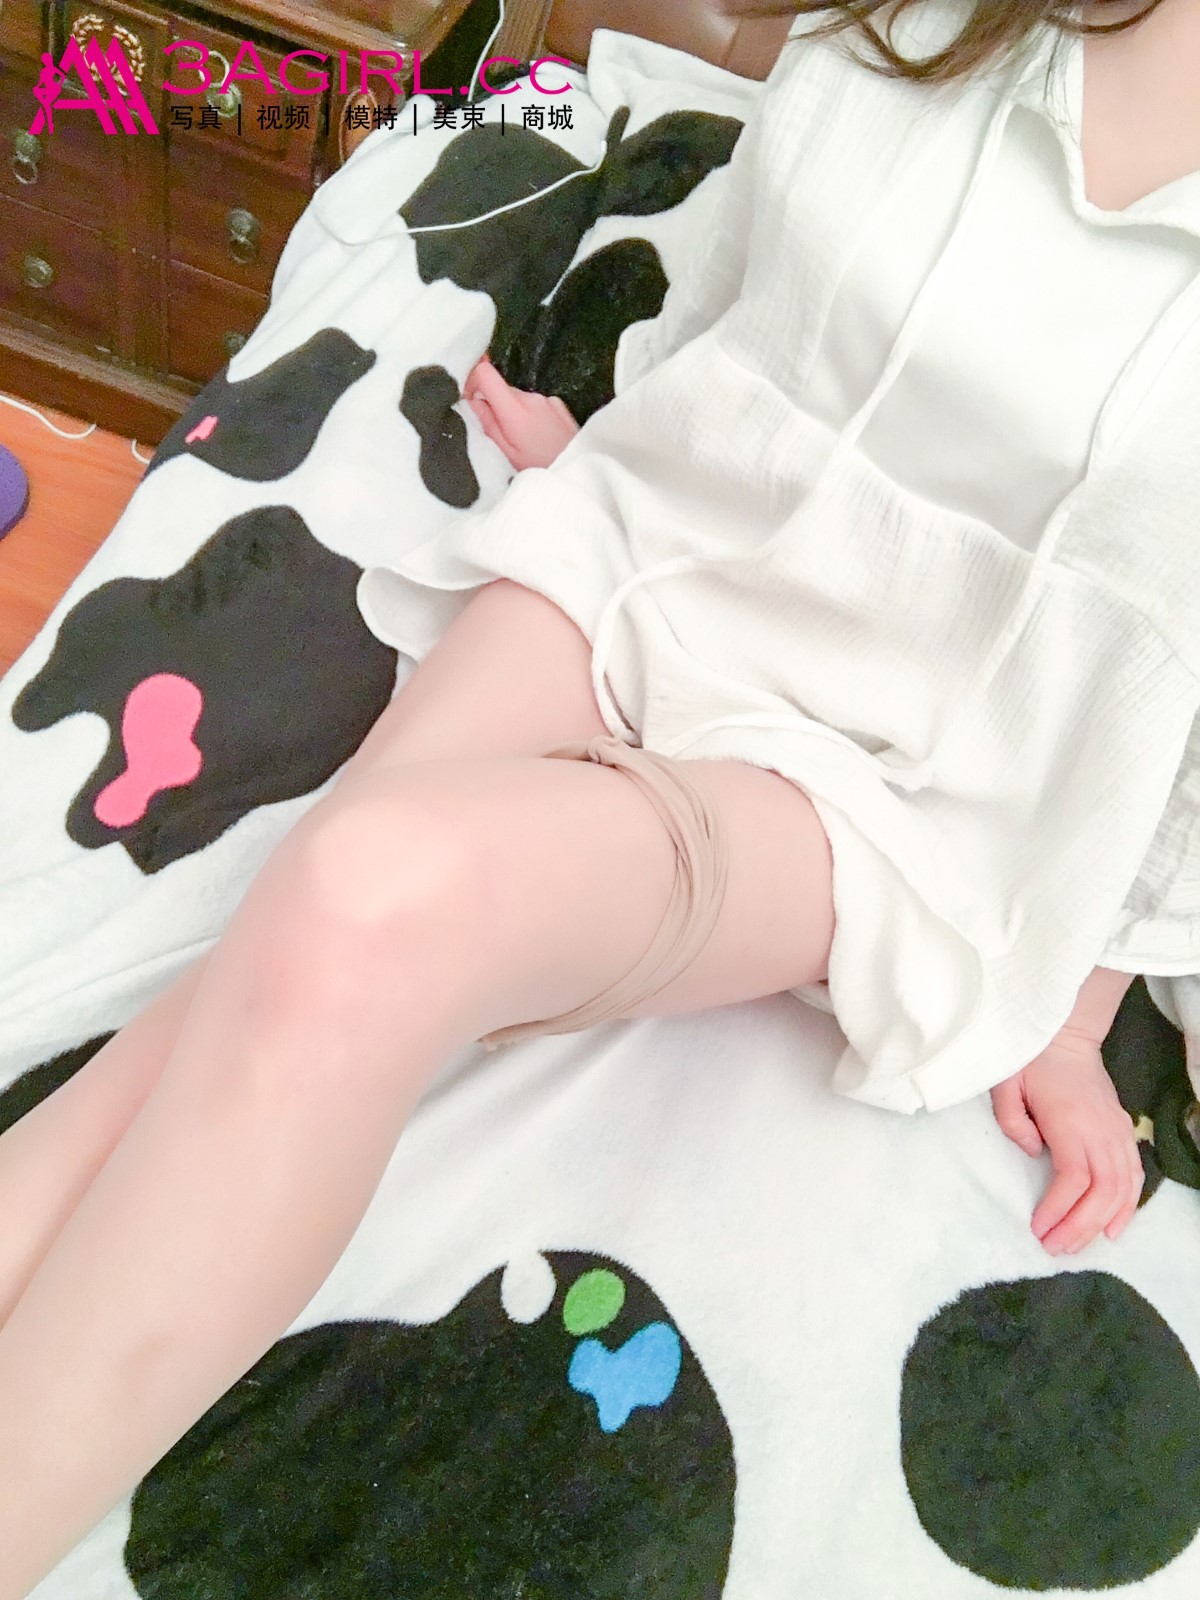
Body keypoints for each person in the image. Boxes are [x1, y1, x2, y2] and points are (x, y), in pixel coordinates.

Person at [0, 0, 1196, 1588]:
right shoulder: (931, 24)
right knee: (250, 966)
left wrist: (1082, 990)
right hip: (653, 545)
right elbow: (748, 291)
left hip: (897, 783)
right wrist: (607, 445)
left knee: (370, 899)